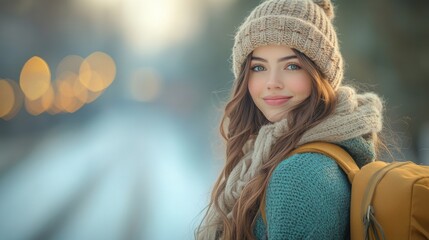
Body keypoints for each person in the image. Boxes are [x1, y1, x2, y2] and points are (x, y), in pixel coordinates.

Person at [196, 0, 383, 239]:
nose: (272, 82)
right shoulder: (277, 154)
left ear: (321, 74)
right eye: (259, 68)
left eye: (292, 66)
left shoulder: (300, 174)